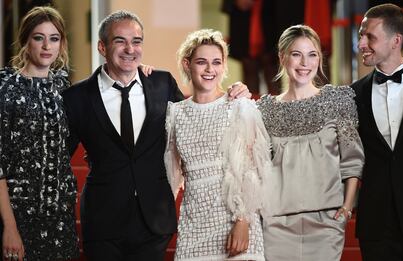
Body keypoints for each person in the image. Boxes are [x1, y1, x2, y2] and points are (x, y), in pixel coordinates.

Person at [62, 10, 251, 261]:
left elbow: (199, 125)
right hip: (102, 219)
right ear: (102, 47)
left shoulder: (161, 84)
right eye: (120, 41)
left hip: (154, 221)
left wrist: (236, 92)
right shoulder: (77, 97)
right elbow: (58, 156)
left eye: (136, 41)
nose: (130, 49)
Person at [257, 25, 364, 261]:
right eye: (297, 54)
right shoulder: (264, 109)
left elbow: (352, 159)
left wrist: (346, 208)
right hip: (276, 222)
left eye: (312, 54)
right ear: (282, 57)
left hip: (326, 222)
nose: (305, 62)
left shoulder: (337, 100)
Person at [164, 28, 270, 261]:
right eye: (202, 62)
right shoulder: (175, 113)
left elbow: (253, 170)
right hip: (193, 223)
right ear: (187, 64)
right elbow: (171, 175)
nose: (210, 69)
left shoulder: (240, 106)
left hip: (235, 219)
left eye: (216, 62)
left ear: (223, 66)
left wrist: (243, 221)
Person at [0, 6, 79, 261]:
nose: (47, 46)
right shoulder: (6, 89)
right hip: (18, 213)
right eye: (38, 37)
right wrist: (10, 228)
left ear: (61, 44)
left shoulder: (62, 86)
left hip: (59, 216)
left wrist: (141, 70)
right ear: (25, 41)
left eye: (54, 38)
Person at [351, 3, 403, 260]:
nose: (361, 44)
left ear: (395, 40)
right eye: (360, 36)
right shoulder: (352, 94)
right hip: (376, 224)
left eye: (370, 37)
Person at [222, 0, 304, 96]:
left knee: (272, 65)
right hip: (244, 19)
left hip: (274, 15)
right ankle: (249, 107)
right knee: (249, 66)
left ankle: (276, 108)